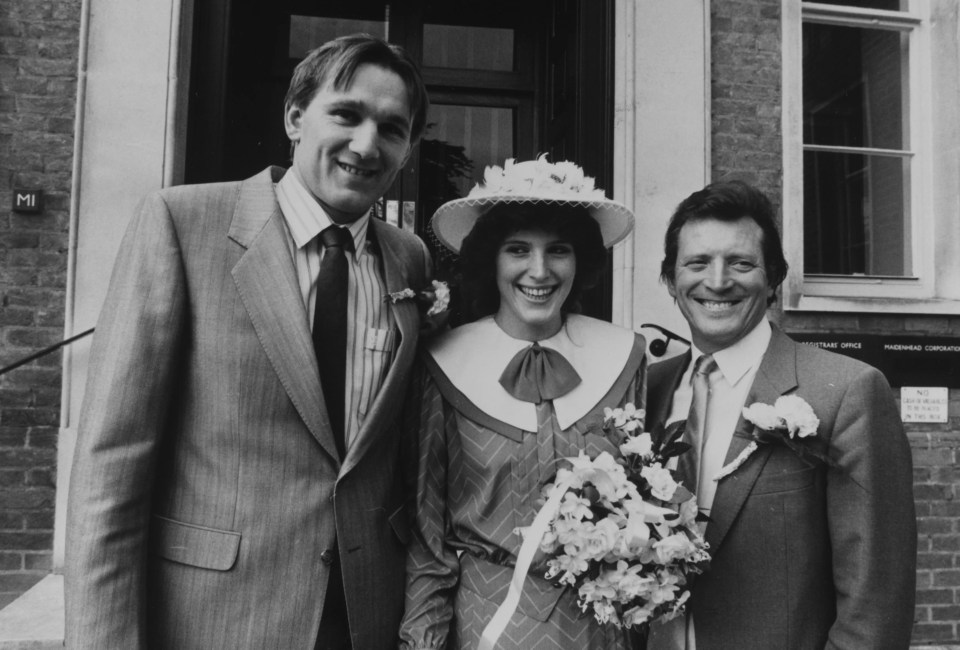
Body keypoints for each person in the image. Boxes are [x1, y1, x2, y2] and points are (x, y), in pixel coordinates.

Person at [65, 34, 431, 649]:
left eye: (392, 129)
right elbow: (111, 466)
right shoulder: (183, 224)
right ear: (294, 117)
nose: (367, 145)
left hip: (366, 615)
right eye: (346, 114)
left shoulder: (409, 259)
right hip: (214, 617)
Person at [644, 180, 916, 649]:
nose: (717, 280)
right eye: (697, 263)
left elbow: (876, 601)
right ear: (671, 279)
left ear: (773, 278)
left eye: (741, 263)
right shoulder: (648, 390)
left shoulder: (846, 391)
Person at [399, 157, 646, 649]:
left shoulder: (626, 357)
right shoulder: (442, 363)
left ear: (581, 261)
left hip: (594, 628)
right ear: (491, 259)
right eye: (518, 250)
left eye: (558, 250)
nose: (539, 270)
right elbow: (427, 538)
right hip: (485, 623)